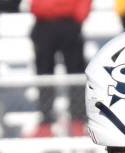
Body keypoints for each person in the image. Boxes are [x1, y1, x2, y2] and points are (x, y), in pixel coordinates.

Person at [29, 0, 90, 137]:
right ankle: (45, 123)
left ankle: (78, 121)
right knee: (44, 76)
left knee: (75, 74)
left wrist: (78, 18)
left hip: (69, 22)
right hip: (43, 23)